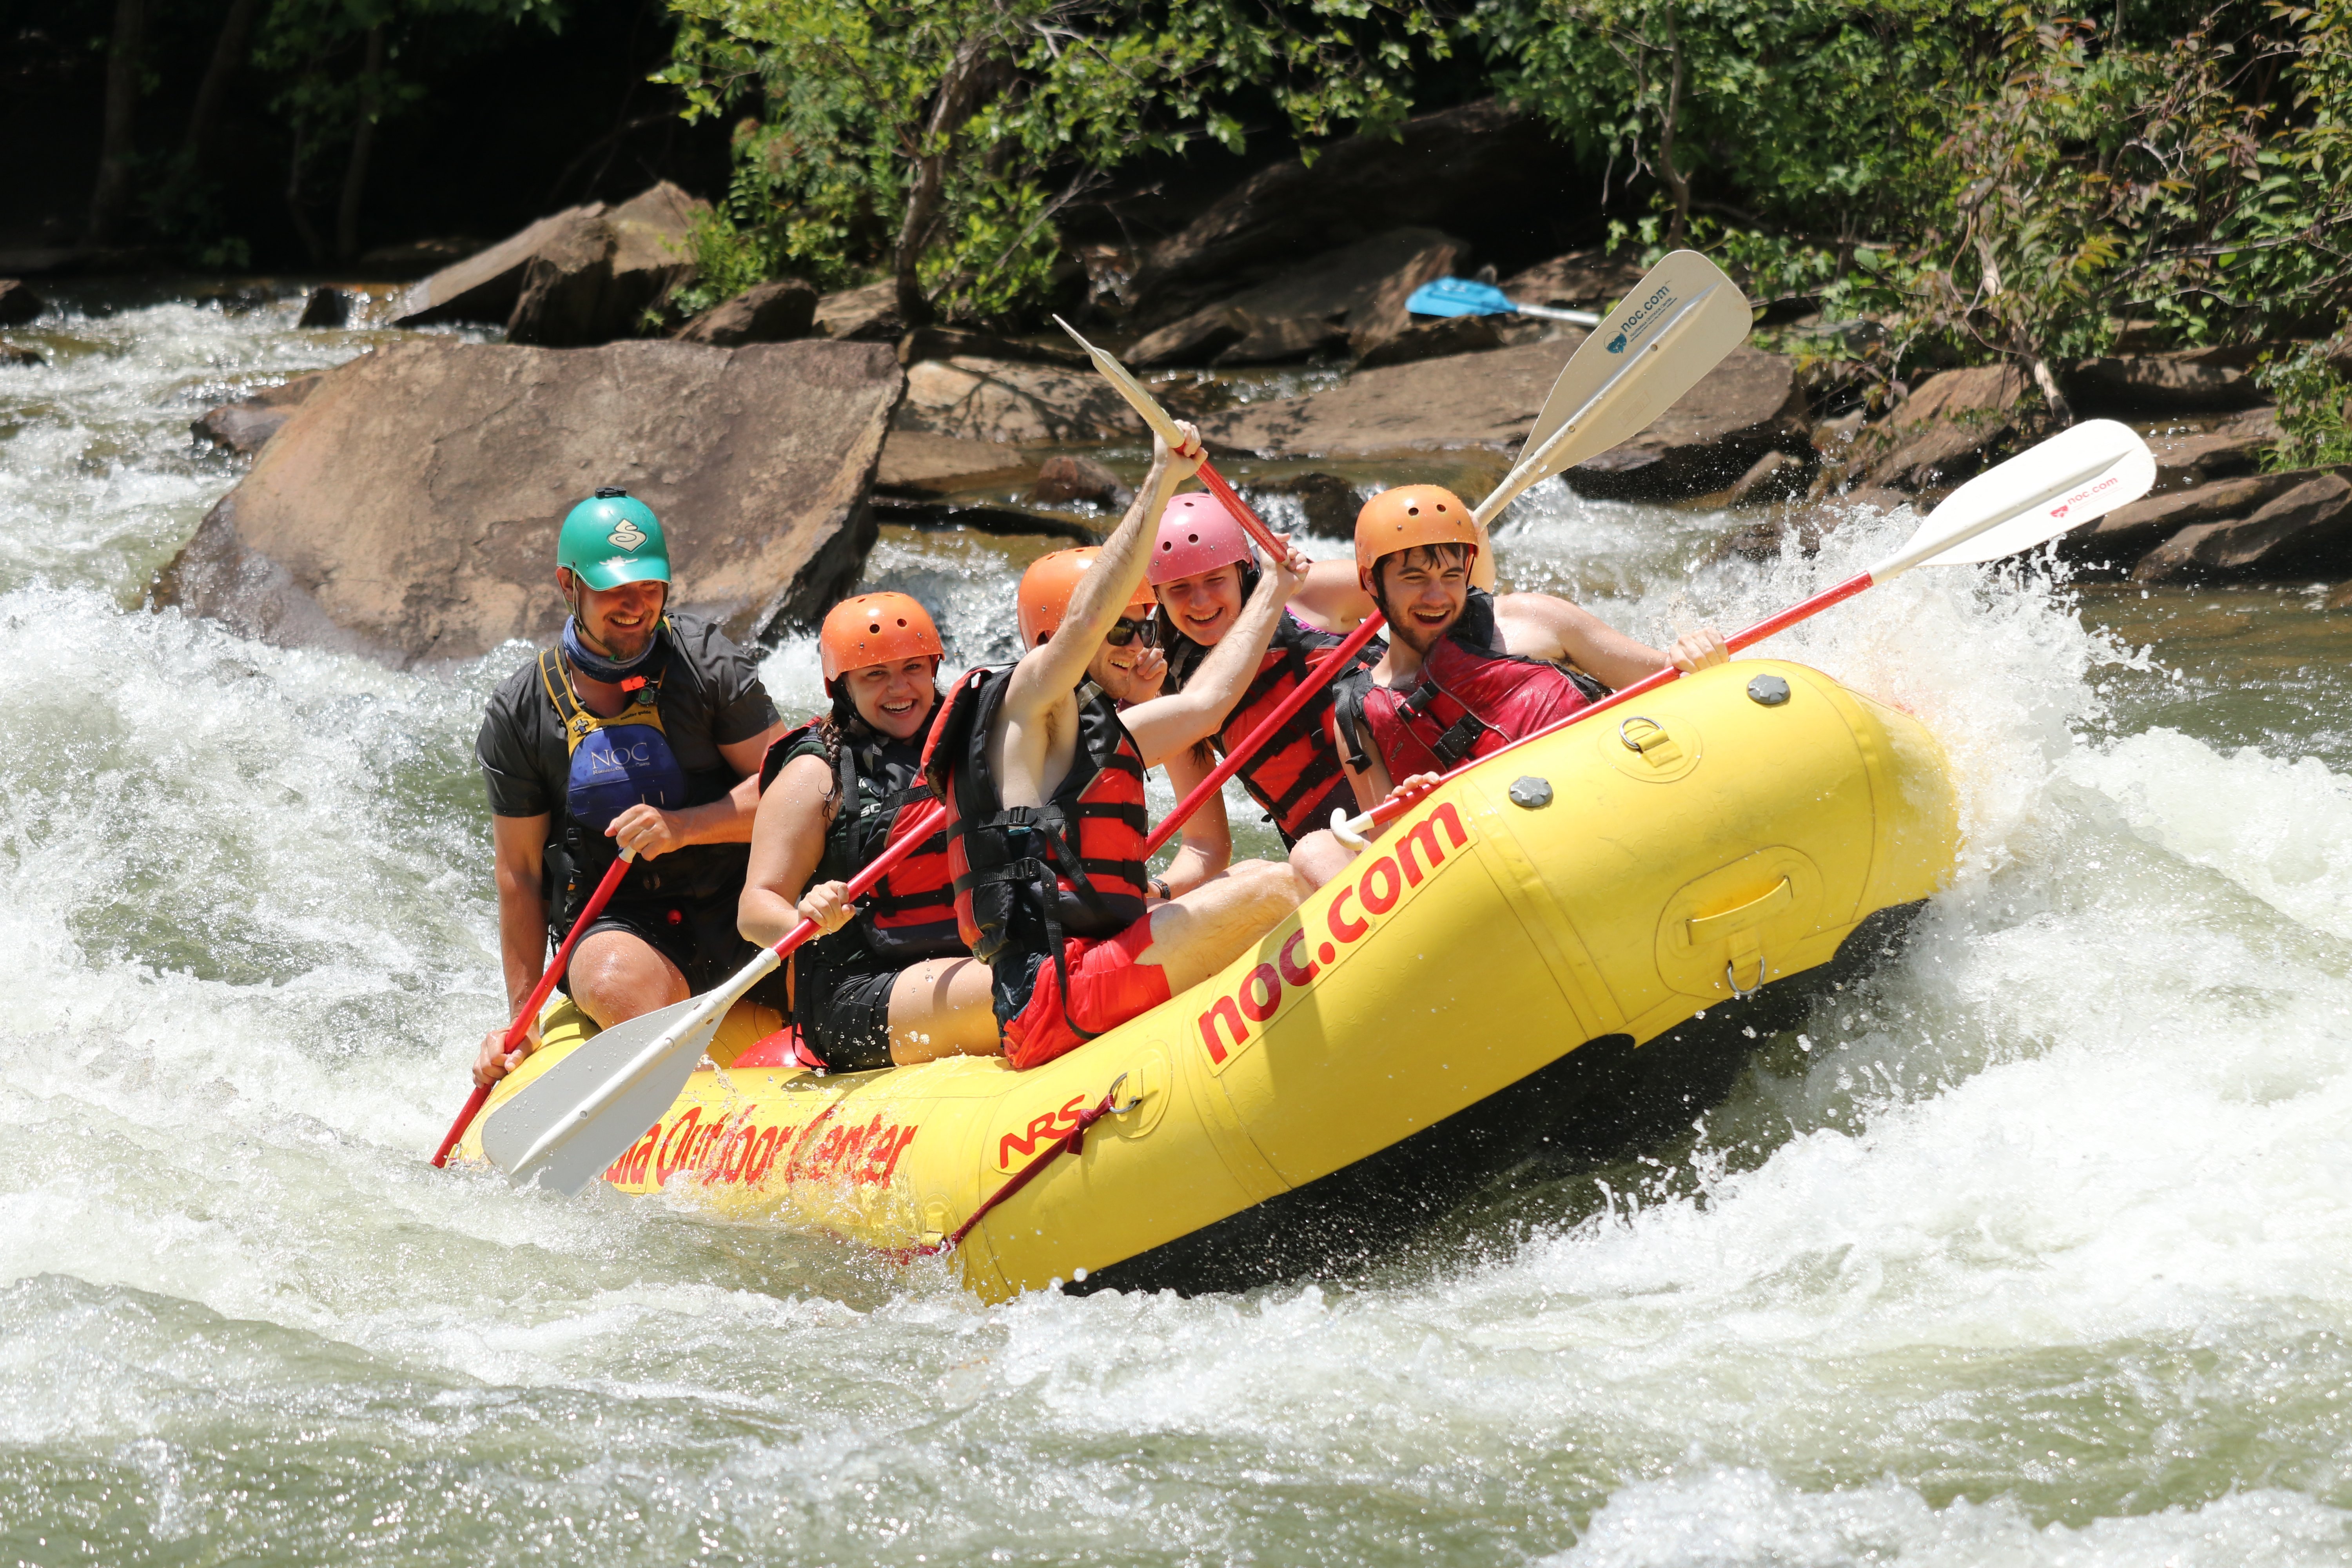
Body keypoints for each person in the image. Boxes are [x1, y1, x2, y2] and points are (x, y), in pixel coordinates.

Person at [922, 422, 1354, 1071]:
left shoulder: (1090, 732)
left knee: (1242, 878)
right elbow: (1085, 620)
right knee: (1277, 886)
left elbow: (1209, 702)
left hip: (1086, 973)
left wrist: (1272, 590)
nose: (1141, 645)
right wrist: (1160, 480)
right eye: (1123, 631)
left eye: (1143, 627)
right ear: (1059, 642)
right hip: (1057, 993)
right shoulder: (1024, 704)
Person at [472, 488, 788, 1086]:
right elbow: (520, 874)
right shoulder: (521, 709)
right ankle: (693, 1098)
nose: (635, 605)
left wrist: (685, 828)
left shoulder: (707, 663)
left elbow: (793, 791)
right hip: (621, 924)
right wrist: (522, 1019)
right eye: (614, 588)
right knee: (612, 978)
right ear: (569, 585)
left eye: (649, 586)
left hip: (737, 905)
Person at [1330, 484, 1731, 809]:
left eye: (1452, 576)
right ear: (1370, 582)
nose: (1437, 597)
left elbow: (1667, 677)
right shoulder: (1358, 713)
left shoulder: (1532, 618)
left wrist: (1695, 656)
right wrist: (1411, 812)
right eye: (1415, 578)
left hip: (1624, 796)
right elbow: (1382, 840)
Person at [737, 593, 996, 1071]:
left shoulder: (975, 741)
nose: (900, 688)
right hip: (859, 991)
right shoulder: (817, 772)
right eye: (876, 674)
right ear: (842, 686)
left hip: (974, 957)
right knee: (1029, 981)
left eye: (914, 667)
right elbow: (754, 910)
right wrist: (804, 918)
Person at [1147, 491, 1383, 880]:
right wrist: (1157, 892)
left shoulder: (1307, 593)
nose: (1200, 601)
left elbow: (1444, 594)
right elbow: (1205, 845)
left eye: (1215, 579)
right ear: (1157, 595)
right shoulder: (1172, 688)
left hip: (1413, 783)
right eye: (1179, 588)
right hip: (1332, 848)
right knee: (1310, 853)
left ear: (1243, 571)